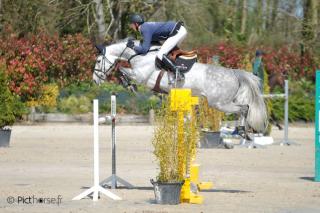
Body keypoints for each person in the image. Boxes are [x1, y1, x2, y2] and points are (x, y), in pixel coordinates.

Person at [126, 14, 187, 80]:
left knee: (160, 54)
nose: (130, 26)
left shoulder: (144, 28)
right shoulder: (145, 26)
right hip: (178, 30)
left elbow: (144, 50)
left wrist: (133, 46)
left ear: (136, 24)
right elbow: (154, 42)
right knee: (166, 53)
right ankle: (174, 69)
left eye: (131, 24)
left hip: (177, 31)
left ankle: (178, 73)